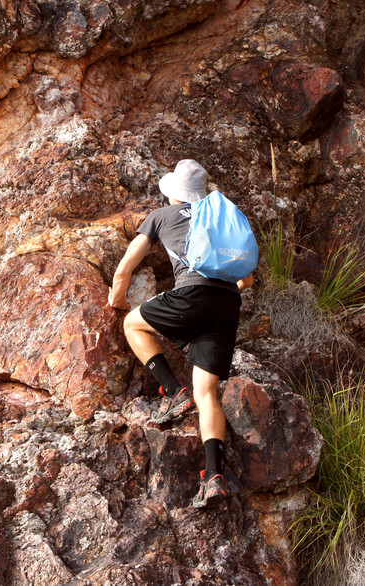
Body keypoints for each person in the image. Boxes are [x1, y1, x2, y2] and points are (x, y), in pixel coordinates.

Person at [107, 159, 254, 509]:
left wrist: (117, 297)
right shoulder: (220, 219)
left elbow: (127, 265)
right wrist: (217, 291)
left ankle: (173, 391)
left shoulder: (159, 216)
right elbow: (246, 279)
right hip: (228, 301)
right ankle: (213, 477)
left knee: (132, 324)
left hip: (193, 294)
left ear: (173, 193)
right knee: (207, 393)